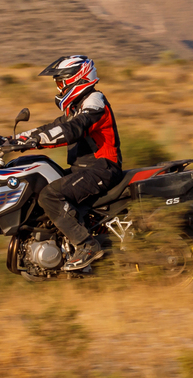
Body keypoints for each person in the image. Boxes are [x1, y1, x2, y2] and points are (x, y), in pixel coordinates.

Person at [15, 54, 124, 270]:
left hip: (102, 168)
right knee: (38, 184)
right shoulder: (75, 107)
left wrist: (36, 140)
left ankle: (86, 245)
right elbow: (52, 127)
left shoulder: (94, 101)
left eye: (60, 83)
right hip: (83, 169)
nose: (59, 89)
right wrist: (13, 140)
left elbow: (72, 130)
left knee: (50, 195)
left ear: (76, 79)